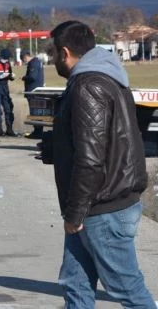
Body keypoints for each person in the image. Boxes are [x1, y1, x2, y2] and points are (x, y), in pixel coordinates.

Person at [47, 20, 153, 307]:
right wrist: (54, 148)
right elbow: (107, 139)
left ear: (65, 52)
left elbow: (91, 158)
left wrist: (75, 214)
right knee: (75, 283)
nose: (52, 60)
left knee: (127, 290)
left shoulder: (87, 85)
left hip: (100, 207)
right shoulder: (107, 76)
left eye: (53, 53)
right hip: (96, 203)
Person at [21, 49, 45, 139]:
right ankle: (38, 130)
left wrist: (24, 78)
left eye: (23, 59)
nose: (24, 61)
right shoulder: (38, 62)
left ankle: (38, 131)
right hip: (37, 90)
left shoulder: (33, 63)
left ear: (26, 56)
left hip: (33, 91)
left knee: (35, 112)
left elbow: (32, 77)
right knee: (38, 111)